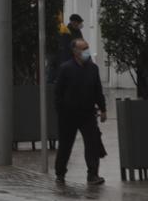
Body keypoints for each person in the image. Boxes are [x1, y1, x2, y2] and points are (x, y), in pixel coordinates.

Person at [55, 38, 107, 186]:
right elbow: (58, 93)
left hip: (88, 114)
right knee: (65, 145)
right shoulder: (66, 69)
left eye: (87, 48)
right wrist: (60, 111)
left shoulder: (93, 68)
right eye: (83, 49)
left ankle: (93, 174)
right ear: (75, 52)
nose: (86, 51)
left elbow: (98, 90)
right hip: (68, 115)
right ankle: (60, 173)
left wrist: (103, 109)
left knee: (92, 144)